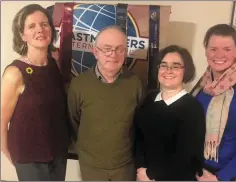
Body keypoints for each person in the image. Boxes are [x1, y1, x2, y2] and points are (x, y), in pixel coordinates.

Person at [1, 4, 70, 181]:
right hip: (29, 158)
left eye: (44, 24)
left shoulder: (53, 65)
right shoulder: (14, 73)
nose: (39, 29)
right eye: (31, 26)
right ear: (22, 35)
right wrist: (12, 156)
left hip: (58, 154)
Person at [67, 25, 143, 181]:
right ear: (96, 52)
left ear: (125, 52)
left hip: (125, 167)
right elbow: (73, 122)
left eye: (119, 49)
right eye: (107, 48)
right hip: (91, 167)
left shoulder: (136, 83)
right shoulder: (79, 84)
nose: (113, 55)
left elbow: (140, 124)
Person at [192, 24, 236, 181]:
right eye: (213, 49)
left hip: (216, 172)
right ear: (206, 50)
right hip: (194, 163)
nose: (219, 55)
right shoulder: (205, 82)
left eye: (227, 49)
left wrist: (221, 177)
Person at [135, 45, 206, 181]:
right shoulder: (149, 99)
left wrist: (151, 174)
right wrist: (141, 168)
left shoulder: (193, 108)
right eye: (164, 65)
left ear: (186, 71)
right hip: (143, 175)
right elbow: (138, 137)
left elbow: (187, 156)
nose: (168, 70)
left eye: (176, 66)